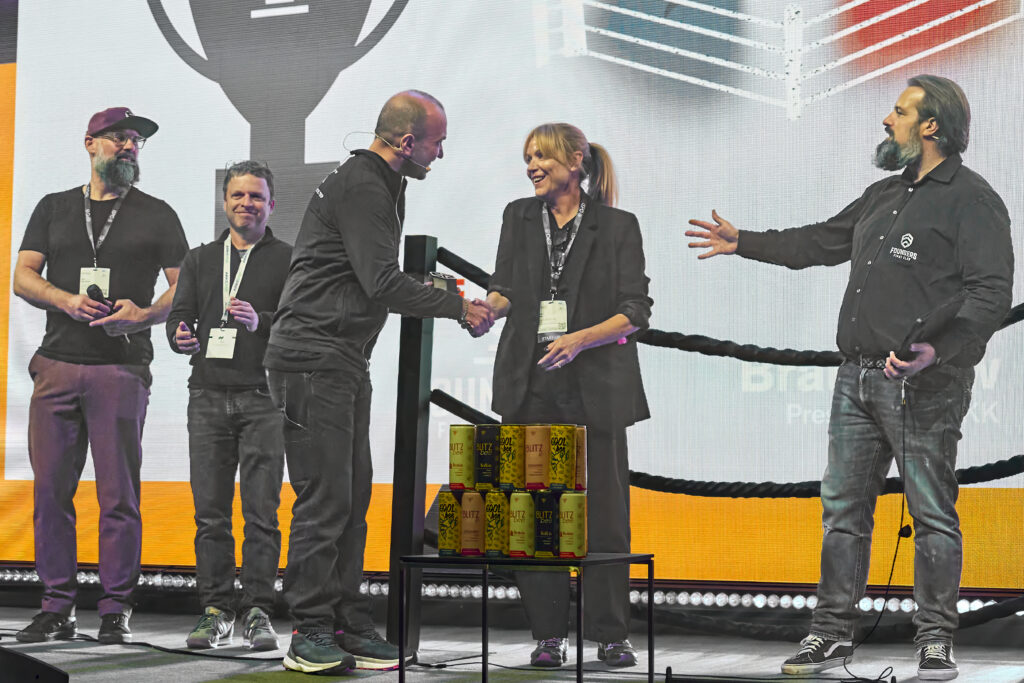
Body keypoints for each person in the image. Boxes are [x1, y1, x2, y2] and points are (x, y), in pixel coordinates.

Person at [686, 75, 1013, 681]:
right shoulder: (884, 194)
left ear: (931, 126)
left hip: (924, 385)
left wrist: (937, 353)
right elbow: (820, 241)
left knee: (932, 514)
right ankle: (830, 633)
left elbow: (991, 294)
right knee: (842, 513)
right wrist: (742, 242)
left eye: (899, 111)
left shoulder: (972, 199)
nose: (887, 120)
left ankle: (935, 639)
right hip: (855, 379)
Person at [264, 90, 493, 675]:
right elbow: (382, 283)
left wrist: (443, 293)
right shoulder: (365, 186)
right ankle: (309, 631)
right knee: (326, 499)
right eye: (437, 143)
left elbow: (372, 275)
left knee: (353, 499)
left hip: (340, 359)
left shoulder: (382, 183)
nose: (441, 154)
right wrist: (458, 305)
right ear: (407, 142)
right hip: (312, 358)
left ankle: (346, 621)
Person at [477, 122, 653, 669]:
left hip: (595, 388)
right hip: (529, 385)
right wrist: (484, 311)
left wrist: (580, 339)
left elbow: (635, 311)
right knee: (534, 515)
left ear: (575, 161)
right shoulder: (517, 215)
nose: (532, 166)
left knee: (604, 518)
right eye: (527, 157)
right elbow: (505, 287)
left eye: (542, 157)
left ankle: (611, 635)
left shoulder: (618, 225)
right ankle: (548, 635)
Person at [12, 107, 189, 644]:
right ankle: (56, 607)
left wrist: (146, 314)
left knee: (119, 498)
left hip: (120, 368)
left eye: (136, 140)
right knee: (51, 494)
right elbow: (22, 275)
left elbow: (184, 286)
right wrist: (64, 299)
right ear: (90, 143)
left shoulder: (157, 214)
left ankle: (115, 609)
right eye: (119, 137)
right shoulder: (54, 207)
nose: (130, 146)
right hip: (58, 364)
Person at [166, 161, 292, 651]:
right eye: (238, 195)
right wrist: (179, 334)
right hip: (207, 396)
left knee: (262, 513)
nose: (246, 204)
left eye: (256, 196)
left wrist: (262, 321)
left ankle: (258, 610)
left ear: (271, 205)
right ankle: (216, 609)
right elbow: (179, 315)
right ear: (224, 203)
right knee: (210, 515)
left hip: (264, 398)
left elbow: (299, 321)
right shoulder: (200, 259)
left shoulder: (288, 259)